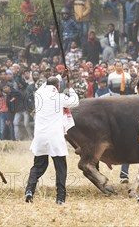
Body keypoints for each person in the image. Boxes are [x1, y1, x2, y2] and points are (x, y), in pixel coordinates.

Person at [25, 76, 80, 204]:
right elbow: (75, 101)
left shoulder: (38, 94)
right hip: (55, 137)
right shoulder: (59, 97)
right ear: (58, 87)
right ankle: (60, 198)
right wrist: (70, 87)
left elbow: (47, 84)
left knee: (38, 167)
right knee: (60, 168)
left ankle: (29, 190)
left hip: (40, 137)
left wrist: (60, 78)